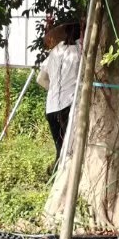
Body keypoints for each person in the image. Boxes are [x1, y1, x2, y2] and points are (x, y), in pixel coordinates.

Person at [37, 21, 82, 166]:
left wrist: (54, 91)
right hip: (68, 106)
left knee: (60, 150)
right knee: (70, 151)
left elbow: (40, 79)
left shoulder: (55, 52)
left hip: (51, 108)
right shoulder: (80, 51)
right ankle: (64, 184)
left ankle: (56, 181)